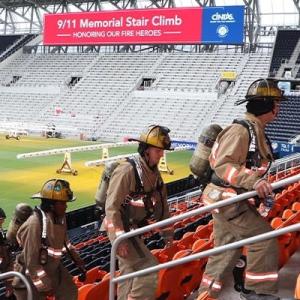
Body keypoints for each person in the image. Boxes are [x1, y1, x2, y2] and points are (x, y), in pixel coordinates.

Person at [197, 78, 286, 300]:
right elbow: (224, 165)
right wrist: (253, 182)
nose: (279, 106)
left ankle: (205, 295)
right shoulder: (240, 131)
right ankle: (259, 293)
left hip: (227, 199)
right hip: (227, 199)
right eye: (276, 102)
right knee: (264, 239)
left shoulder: (254, 129)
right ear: (266, 105)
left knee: (225, 251)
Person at [102, 125, 174, 300]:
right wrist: (119, 239)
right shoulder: (127, 171)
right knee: (148, 270)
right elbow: (111, 208)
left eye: (162, 151)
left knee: (129, 273)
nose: (161, 155)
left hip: (134, 230)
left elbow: (162, 205)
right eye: (158, 151)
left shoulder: (155, 175)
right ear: (146, 150)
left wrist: (167, 233)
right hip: (121, 231)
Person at [12, 179, 85, 300]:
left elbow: (65, 243)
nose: (66, 206)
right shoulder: (34, 224)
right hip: (30, 276)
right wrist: (44, 286)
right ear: (51, 205)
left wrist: (77, 259)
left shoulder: (60, 218)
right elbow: (31, 263)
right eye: (62, 203)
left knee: (70, 291)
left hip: (52, 267)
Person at [0, 208, 14, 298]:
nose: (3, 221)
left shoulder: (0, 229)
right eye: (2, 220)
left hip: (5, 259)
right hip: (4, 260)